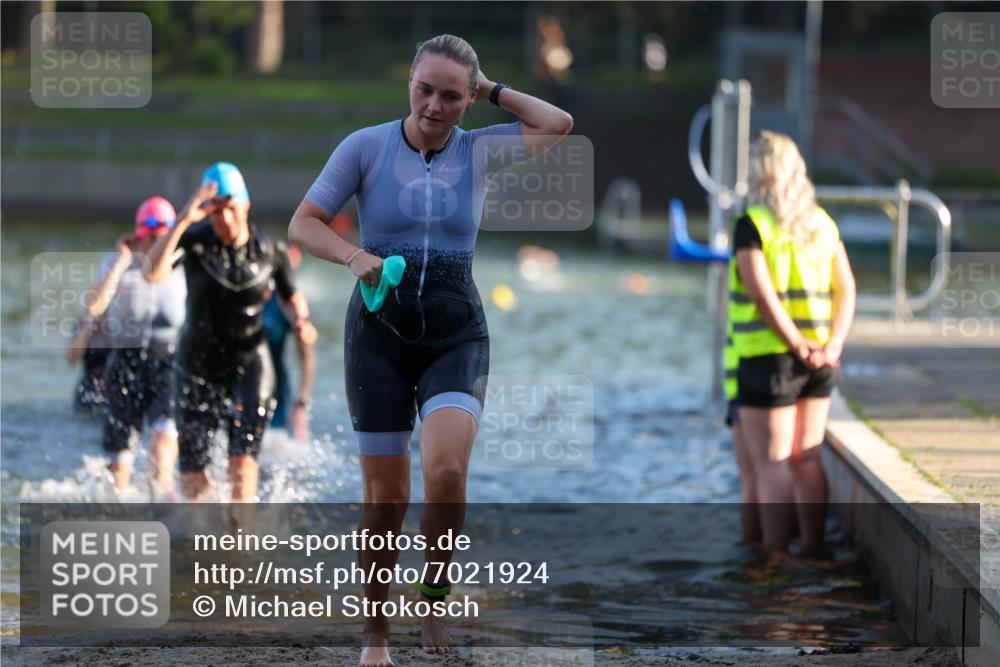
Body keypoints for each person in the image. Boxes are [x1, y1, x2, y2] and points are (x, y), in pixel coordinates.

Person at [288, 34, 572, 666]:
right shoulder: (364, 147)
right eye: (425, 90)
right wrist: (355, 256)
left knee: (445, 473)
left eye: (452, 95)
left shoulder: (480, 151)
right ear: (408, 85)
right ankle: (376, 635)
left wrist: (493, 88)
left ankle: (434, 599)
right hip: (378, 339)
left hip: (455, 336)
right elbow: (302, 223)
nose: (435, 106)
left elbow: (558, 123)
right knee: (385, 502)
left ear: (469, 100)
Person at [145, 162, 312, 502]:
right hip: (198, 363)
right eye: (216, 212)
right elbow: (152, 272)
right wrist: (183, 219)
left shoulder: (270, 248)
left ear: (245, 204)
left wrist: (301, 321)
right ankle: (199, 545)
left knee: (242, 463)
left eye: (231, 210)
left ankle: (238, 547)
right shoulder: (194, 242)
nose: (224, 220)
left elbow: (291, 298)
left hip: (250, 361)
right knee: (193, 472)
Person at [729, 131, 856, 555]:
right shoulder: (823, 224)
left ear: (758, 172)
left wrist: (794, 343)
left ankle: (775, 557)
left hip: (770, 360)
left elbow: (762, 296)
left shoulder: (753, 225)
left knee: (774, 461)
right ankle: (815, 549)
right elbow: (847, 290)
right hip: (822, 360)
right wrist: (833, 343)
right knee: (808, 456)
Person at [76, 196, 186, 496]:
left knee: (162, 452)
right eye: (149, 233)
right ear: (138, 233)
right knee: (118, 470)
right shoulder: (116, 264)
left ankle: (168, 521)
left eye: (162, 234)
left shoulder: (183, 264)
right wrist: (122, 262)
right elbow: (93, 306)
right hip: (124, 364)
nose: (155, 240)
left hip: (168, 364)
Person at [262, 244, 317, 443]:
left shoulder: (288, 304)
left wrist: (301, 404)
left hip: (276, 393)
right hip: (241, 390)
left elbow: (308, 359)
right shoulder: (242, 296)